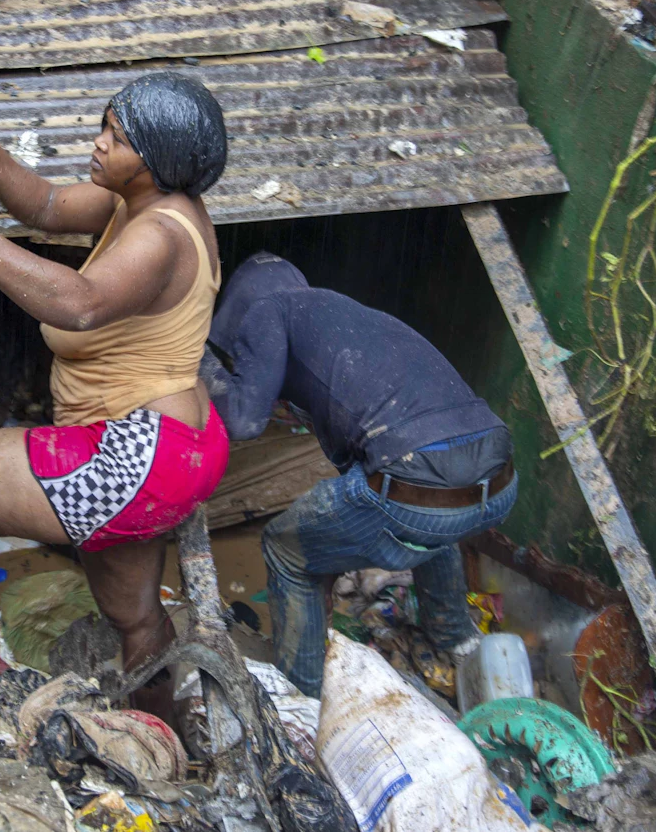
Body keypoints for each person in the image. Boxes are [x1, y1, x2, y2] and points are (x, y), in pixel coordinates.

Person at [0, 74, 229, 711]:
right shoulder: (142, 205)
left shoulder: (160, 236)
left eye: (114, 139)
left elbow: (80, 304)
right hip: (179, 451)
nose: (96, 146)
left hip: (133, 456)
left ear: (154, 162)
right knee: (136, 619)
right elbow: (42, 208)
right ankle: (164, 735)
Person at [200, 252, 517, 698]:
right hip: (498, 479)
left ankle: (302, 700)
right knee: (428, 529)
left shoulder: (268, 309)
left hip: (419, 483)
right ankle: (458, 643)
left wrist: (193, 358)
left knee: (286, 547)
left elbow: (245, 421)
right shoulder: (346, 316)